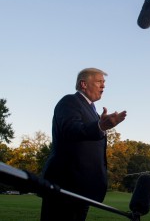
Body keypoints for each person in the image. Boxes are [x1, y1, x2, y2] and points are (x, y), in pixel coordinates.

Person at [40, 68, 127, 221]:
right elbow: (71, 130)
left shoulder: (93, 112)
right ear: (84, 84)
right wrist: (100, 126)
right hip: (65, 187)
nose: (103, 86)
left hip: (82, 190)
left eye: (104, 82)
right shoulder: (69, 101)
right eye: (99, 82)